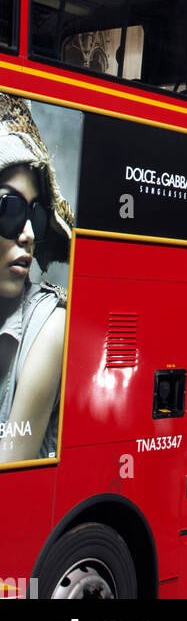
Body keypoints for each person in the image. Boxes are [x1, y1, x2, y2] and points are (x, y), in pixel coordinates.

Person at [0, 94, 73, 463]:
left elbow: (11, 469)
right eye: (9, 208)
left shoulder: (51, 325)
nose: (28, 233)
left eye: (37, 215)